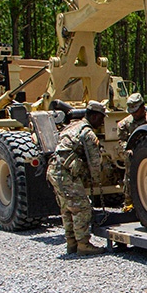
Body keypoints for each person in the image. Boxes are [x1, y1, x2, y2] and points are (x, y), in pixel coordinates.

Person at [48, 101, 107, 256]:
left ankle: (71, 243)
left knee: (67, 208)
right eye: (101, 118)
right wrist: (96, 180)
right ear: (94, 116)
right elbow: (95, 163)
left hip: (55, 170)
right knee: (82, 208)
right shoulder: (88, 134)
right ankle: (83, 245)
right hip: (66, 174)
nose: (102, 122)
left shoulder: (72, 126)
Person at [117, 92, 147, 209]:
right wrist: (126, 150)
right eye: (131, 111)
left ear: (143, 107)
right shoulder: (125, 124)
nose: (133, 114)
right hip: (132, 157)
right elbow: (121, 141)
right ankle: (129, 202)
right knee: (129, 179)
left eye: (136, 110)